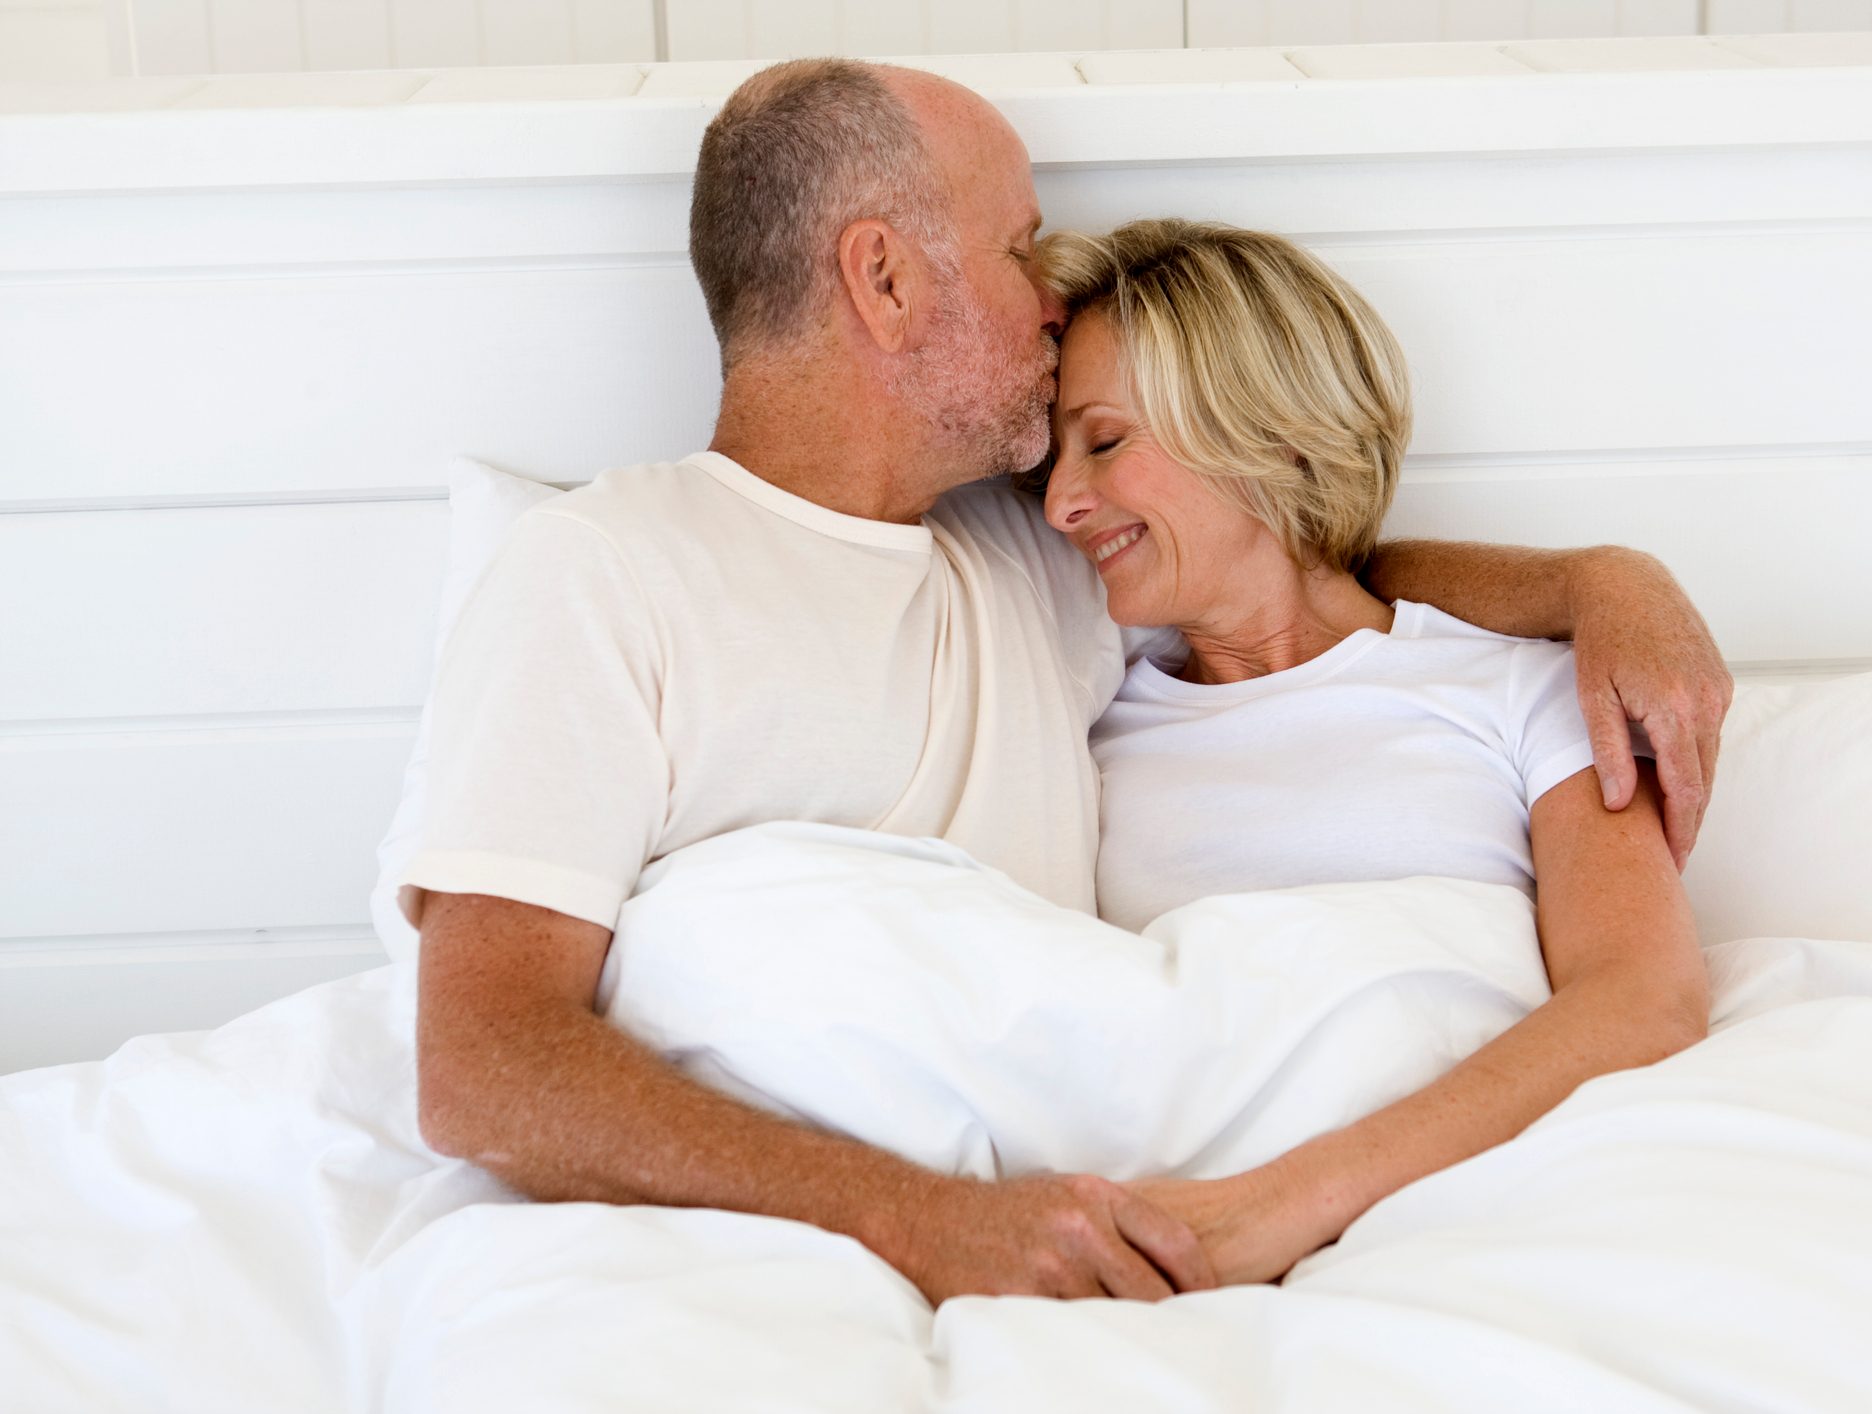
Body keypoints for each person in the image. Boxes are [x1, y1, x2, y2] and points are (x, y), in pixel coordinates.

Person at [404, 57, 1732, 1308]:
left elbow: (1290, 559)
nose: (1049, 292)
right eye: (1016, 243)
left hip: (1091, 1202)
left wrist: (1593, 582)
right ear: (883, 279)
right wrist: (920, 1219)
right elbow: (481, 1065)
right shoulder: (602, 569)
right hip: (829, 1246)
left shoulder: (1031, 559)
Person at [1035, 218, 1712, 1286]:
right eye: (1056, 454)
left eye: (1105, 441)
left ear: (1268, 432)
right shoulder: (1079, 711)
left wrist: (1284, 1203)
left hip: (1457, 1217)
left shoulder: (1517, 684)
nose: (1060, 500)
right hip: (1181, 1204)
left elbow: (1645, 998)